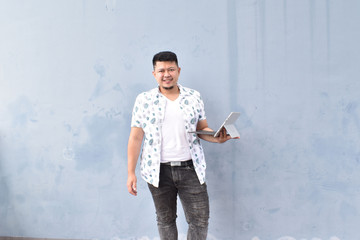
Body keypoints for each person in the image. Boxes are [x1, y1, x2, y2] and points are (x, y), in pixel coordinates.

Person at [127, 51, 239, 240]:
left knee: (200, 220)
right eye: (161, 70)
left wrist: (217, 138)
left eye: (171, 69)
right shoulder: (143, 100)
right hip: (158, 171)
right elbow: (136, 138)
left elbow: (202, 129)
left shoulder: (193, 97)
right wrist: (130, 173)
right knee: (165, 220)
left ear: (178, 71)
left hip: (191, 168)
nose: (166, 74)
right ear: (154, 74)